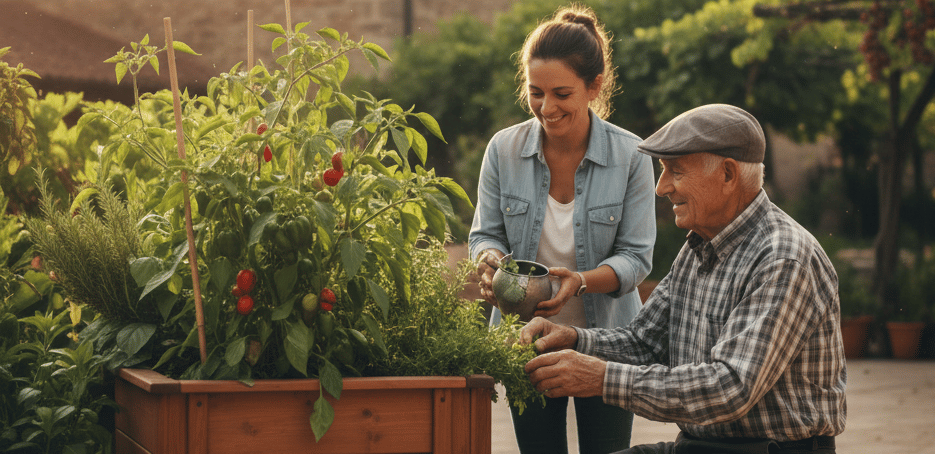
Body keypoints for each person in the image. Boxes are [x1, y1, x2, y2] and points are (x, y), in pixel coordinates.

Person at [520, 104, 847, 454]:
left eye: (675, 171)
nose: (661, 188)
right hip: (700, 444)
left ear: (728, 174)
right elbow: (643, 342)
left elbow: (729, 387)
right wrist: (571, 340)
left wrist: (599, 378)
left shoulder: (783, 257)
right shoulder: (699, 245)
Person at [468, 5, 656, 454]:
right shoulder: (503, 150)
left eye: (561, 94)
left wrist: (580, 282)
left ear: (595, 86)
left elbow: (636, 258)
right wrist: (489, 262)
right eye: (535, 92)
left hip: (609, 345)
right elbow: (485, 234)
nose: (546, 108)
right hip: (526, 340)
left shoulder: (632, 156)